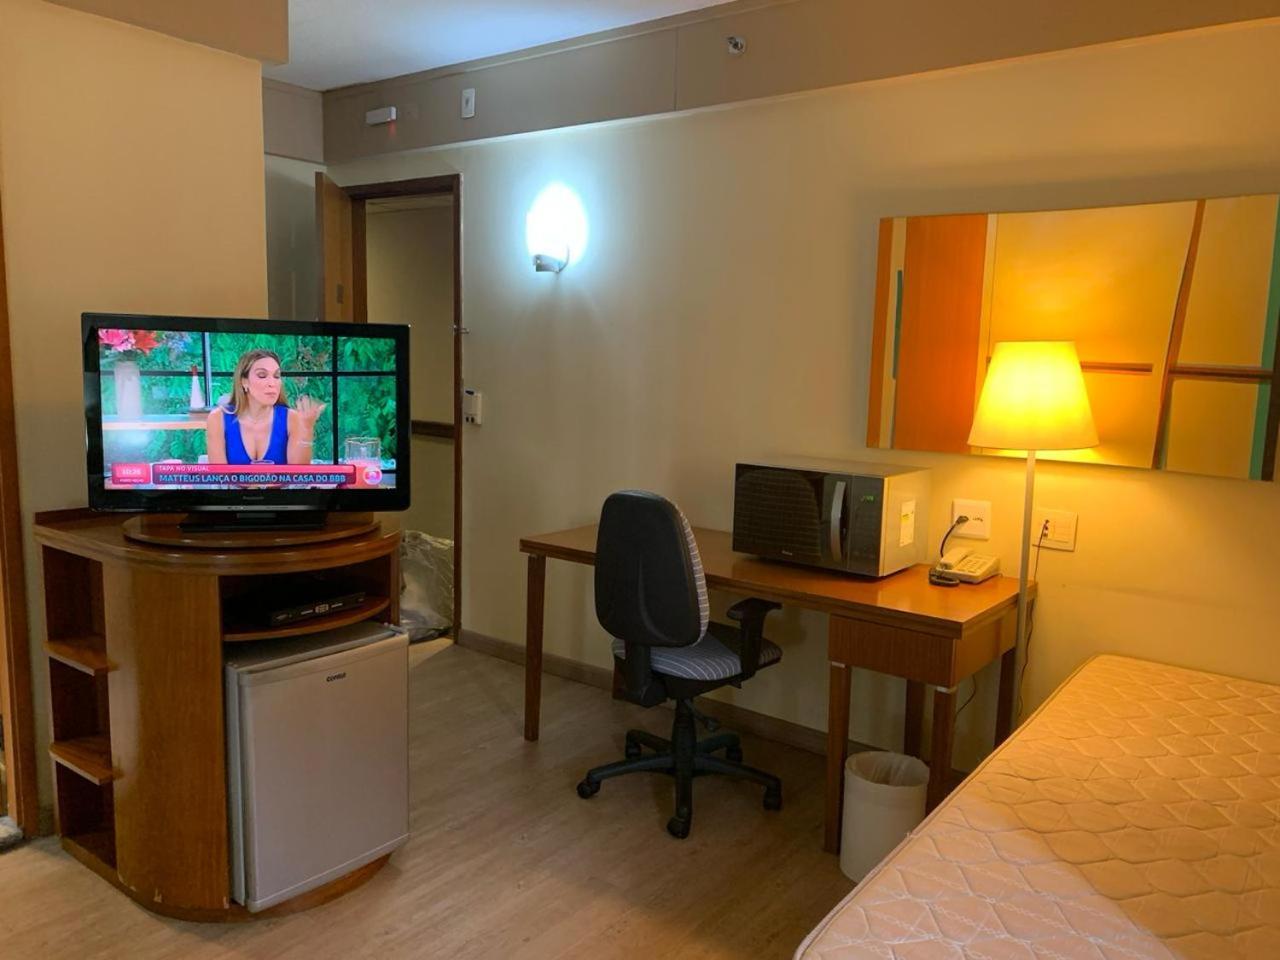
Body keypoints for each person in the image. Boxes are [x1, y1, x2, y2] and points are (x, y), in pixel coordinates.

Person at [205, 349, 326, 465]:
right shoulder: (217, 419)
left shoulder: (291, 418)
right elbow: (218, 475)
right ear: (244, 382)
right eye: (262, 375)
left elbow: (298, 474)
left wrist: (307, 430)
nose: (272, 383)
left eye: (276, 376)